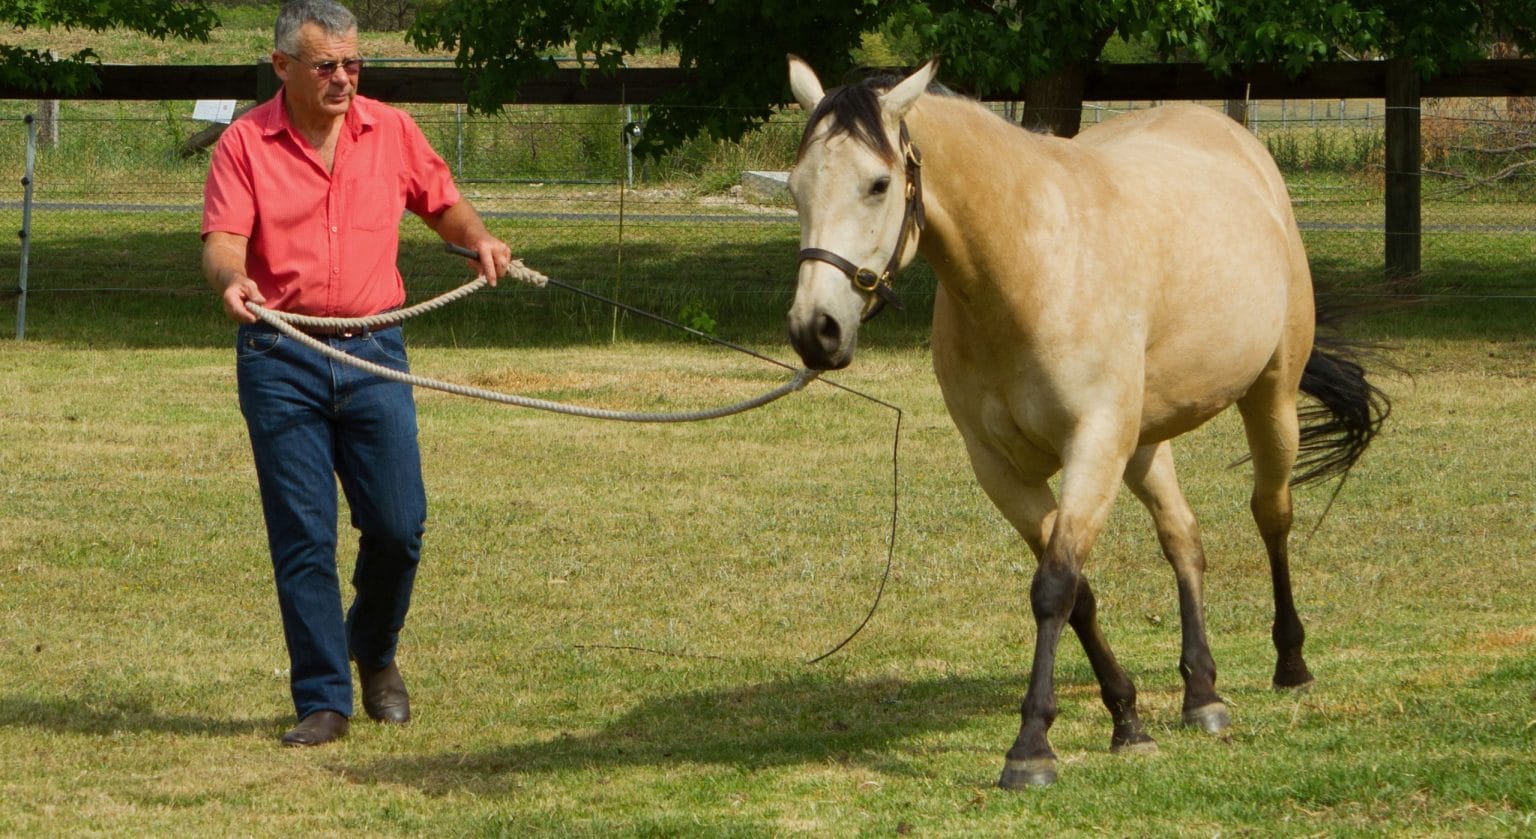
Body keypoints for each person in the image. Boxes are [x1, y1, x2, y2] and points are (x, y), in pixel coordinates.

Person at [200, 0, 522, 746]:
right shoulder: (245, 143)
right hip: (282, 357)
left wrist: (480, 239)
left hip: (375, 352)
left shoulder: (393, 131)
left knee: (399, 524)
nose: (344, 78)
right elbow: (222, 240)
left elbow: (443, 205)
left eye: (353, 64)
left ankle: (373, 651)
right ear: (283, 67)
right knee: (304, 535)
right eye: (327, 66)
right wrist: (230, 280)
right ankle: (323, 698)